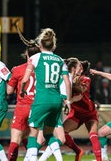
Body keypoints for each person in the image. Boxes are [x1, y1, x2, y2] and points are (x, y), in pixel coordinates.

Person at [20, 28, 71, 161]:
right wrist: (68, 101)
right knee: (49, 134)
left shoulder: (35, 58)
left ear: (40, 44)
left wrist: (22, 90)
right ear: (53, 45)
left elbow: (25, 79)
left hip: (41, 100)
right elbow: (67, 82)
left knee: (32, 133)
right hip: (56, 101)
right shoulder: (60, 60)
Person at [6, 41, 40, 161]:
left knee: (15, 141)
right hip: (37, 107)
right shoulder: (42, 70)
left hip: (22, 107)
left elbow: (9, 91)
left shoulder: (18, 69)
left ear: (27, 53)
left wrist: (11, 77)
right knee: (32, 138)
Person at [62, 59, 102, 161]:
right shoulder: (66, 79)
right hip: (76, 113)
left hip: (89, 113)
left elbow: (81, 93)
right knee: (62, 133)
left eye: (80, 66)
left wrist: (73, 86)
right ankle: (78, 151)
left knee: (93, 135)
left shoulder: (86, 79)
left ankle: (99, 159)